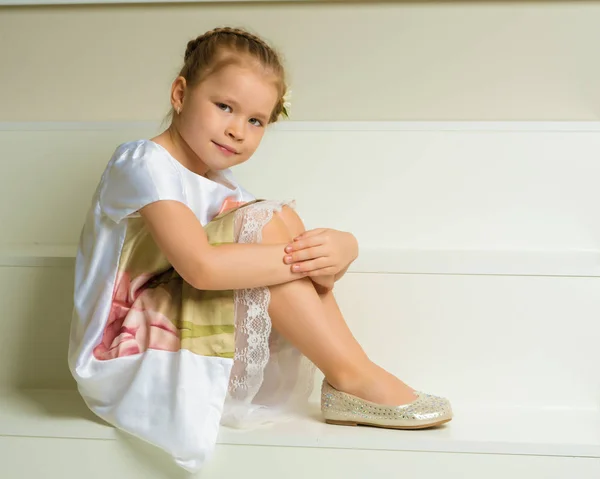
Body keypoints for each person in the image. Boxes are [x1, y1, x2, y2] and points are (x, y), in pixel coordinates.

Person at [68, 26, 452, 473]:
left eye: (256, 121)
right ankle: (352, 376)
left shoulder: (221, 185)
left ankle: (351, 373)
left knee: (274, 220)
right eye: (224, 107)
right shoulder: (143, 162)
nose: (237, 131)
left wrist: (342, 251)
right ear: (180, 93)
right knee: (267, 223)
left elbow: (294, 271)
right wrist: (302, 257)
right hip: (122, 350)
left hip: (178, 318)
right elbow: (202, 268)